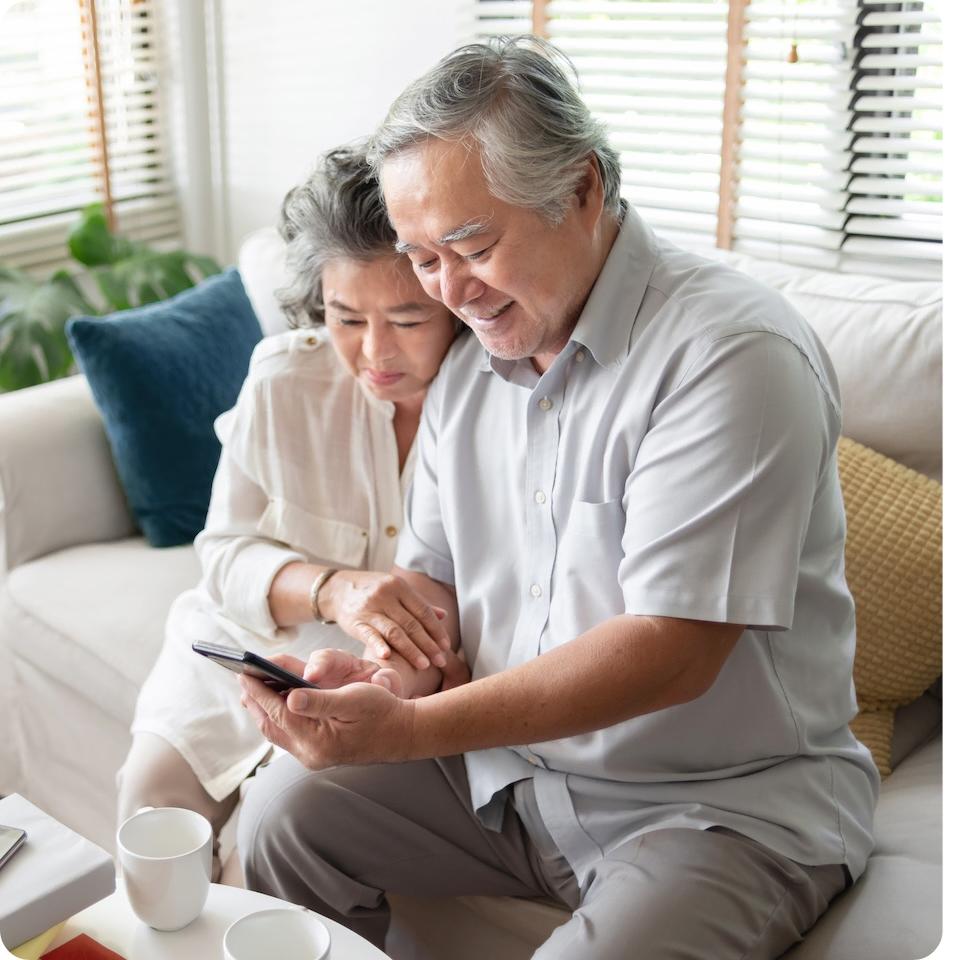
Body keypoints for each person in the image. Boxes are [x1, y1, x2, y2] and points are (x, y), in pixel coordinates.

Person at [235, 38, 880, 959]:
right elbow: (437, 603)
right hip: (511, 783)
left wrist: (411, 728)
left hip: (718, 806)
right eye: (422, 260)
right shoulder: (469, 372)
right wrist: (382, 679)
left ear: (580, 191)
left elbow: (671, 651)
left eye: (472, 245)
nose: (450, 292)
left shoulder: (730, 356)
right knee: (280, 817)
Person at [117, 145, 463, 881]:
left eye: (407, 319)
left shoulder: (493, 412)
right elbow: (223, 555)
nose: (374, 353)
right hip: (235, 656)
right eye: (345, 318)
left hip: (375, 693)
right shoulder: (285, 380)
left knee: (257, 858)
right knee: (148, 820)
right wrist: (335, 587)